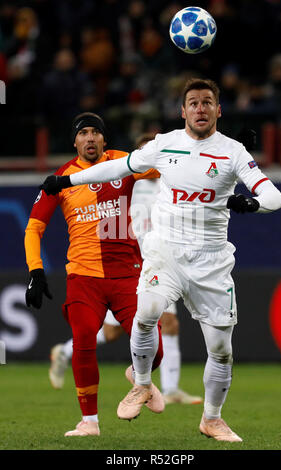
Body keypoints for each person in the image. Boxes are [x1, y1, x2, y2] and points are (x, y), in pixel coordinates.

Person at [40, 78, 281, 442]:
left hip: (212, 262)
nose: (200, 109)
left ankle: (212, 419)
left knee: (221, 351)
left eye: (207, 103)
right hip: (165, 252)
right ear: (182, 111)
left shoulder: (233, 152)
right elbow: (117, 168)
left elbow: (274, 196)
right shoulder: (164, 145)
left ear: (218, 110)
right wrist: (67, 182)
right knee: (147, 314)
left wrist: (252, 203)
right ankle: (141, 384)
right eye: (193, 103)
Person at [25, 112, 165, 437]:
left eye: (95, 133)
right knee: (84, 340)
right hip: (84, 277)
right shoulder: (61, 179)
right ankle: (90, 422)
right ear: (74, 141)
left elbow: (168, 168)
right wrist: (36, 270)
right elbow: (34, 229)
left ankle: (139, 376)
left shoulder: (123, 163)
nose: (90, 138)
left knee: (154, 347)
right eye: (83, 133)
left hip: (128, 274)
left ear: (104, 139)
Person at [49, 132, 203, 405]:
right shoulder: (130, 182)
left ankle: (169, 388)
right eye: (146, 152)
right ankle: (65, 351)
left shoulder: (168, 185)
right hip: (132, 266)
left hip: (158, 264)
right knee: (116, 332)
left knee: (167, 324)